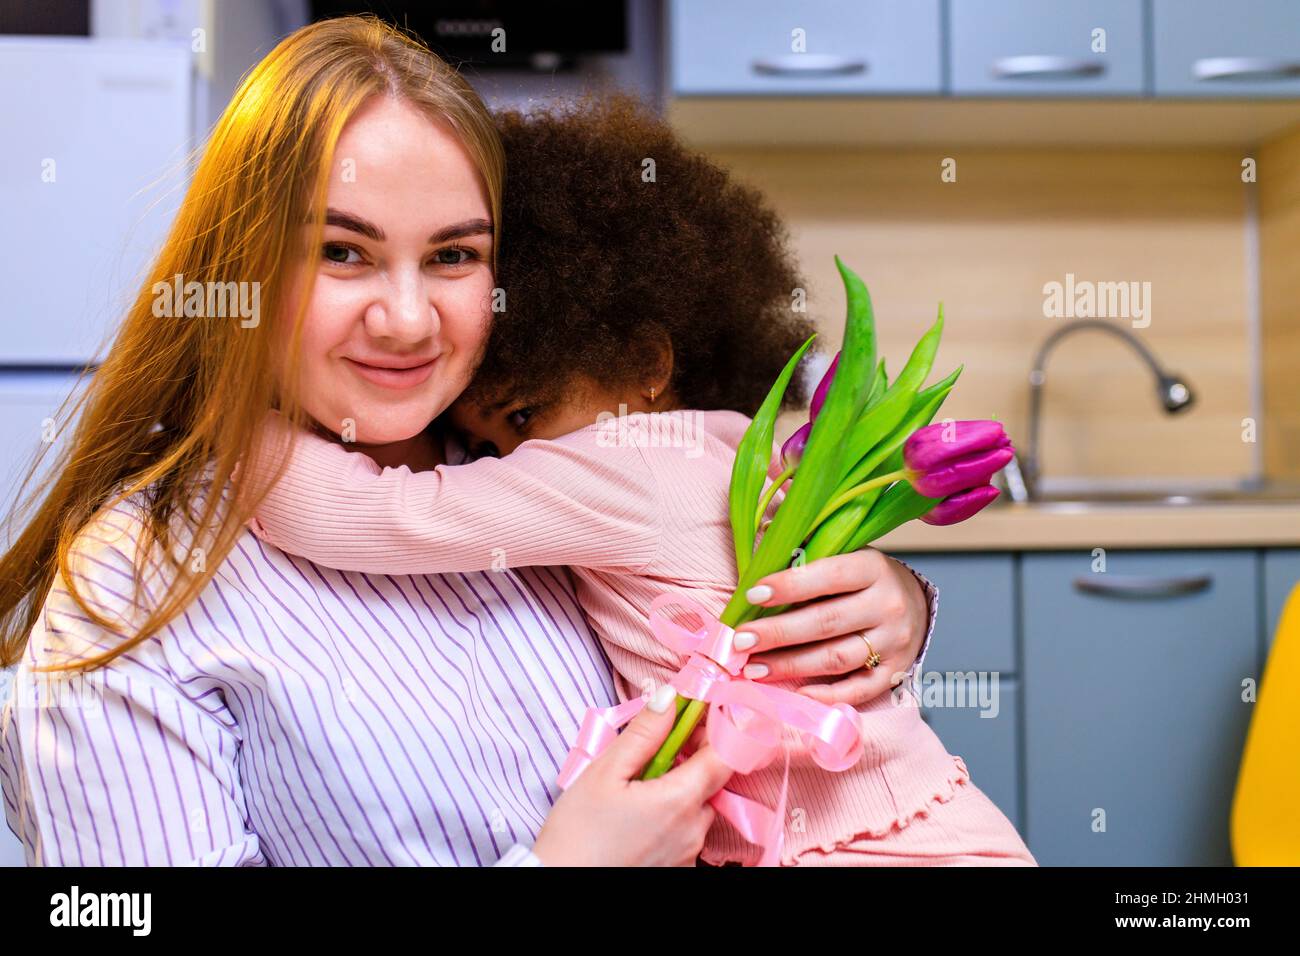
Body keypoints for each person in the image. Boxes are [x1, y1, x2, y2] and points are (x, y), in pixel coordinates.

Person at [0, 17, 937, 866]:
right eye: (342, 251)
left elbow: (742, 666)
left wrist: (887, 613)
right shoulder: (132, 586)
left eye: (453, 255)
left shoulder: (516, 466)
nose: (407, 320)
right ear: (242, 264)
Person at [247, 95, 1035, 866]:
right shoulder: (725, 444)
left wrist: (237, 429)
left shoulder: (618, 466)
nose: (507, 465)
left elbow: (384, 514)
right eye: (484, 444)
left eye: (523, 417)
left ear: (647, 366)